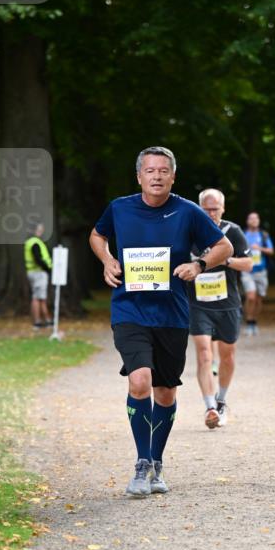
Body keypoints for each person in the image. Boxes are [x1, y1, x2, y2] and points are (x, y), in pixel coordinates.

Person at [89, 146, 232, 497]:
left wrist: (198, 265)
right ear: (139, 176)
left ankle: (157, 461)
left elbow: (224, 247)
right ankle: (141, 463)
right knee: (139, 381)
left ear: (172, 176)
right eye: (149, 170)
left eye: (163, 171)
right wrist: (107, 260)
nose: (156, 176)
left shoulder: (187, 211)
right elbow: (97, 235)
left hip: (171, 314)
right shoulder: (120, 208)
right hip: (130, 310)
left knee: (165, 391)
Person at [187, 189, 252, 428]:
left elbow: (248, 264)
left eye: (215, 209)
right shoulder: (189, 232)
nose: (211, 213)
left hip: (228, 304)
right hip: (198, 304)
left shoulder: (232, 231)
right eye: (206, 209)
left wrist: (224, 259)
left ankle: (221, 400)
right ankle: (209, 407)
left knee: (228, 355)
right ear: (199, 208)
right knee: (204, 353)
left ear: (223, 209)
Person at [241, 211, 274, 336]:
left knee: (259, 299)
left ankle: (254, 320)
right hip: (247, 271)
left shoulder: (263, 235)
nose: (254, 220)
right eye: (251, 218)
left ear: (259, 221)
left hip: (261, 271)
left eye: (256, 218)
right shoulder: (243, 234)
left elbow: (271, 251)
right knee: (251, 297)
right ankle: (249, 321)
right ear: (247, 221)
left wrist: (259, 248)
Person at [24, 222, 53, 329]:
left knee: (38, 297)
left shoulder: (31, 242)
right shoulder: (35, 243)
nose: (41, 231)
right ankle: (41, 321)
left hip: (34, 272)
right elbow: (38, 259)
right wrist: (48, 268)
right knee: (39, 298)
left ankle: (42, 320)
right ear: (34, 230)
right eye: (39, 229)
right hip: (38, 273)